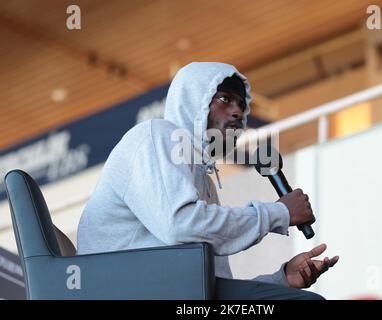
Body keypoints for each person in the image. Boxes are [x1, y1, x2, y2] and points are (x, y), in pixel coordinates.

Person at [77, 62, 339, 299]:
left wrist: (282, 280)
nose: (237, 112)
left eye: (241, 105)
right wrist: (279, 212)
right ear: (194, 101)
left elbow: (213, 291)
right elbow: (180, 225)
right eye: (224, 99)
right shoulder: (157, 136)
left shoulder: (202, 179)